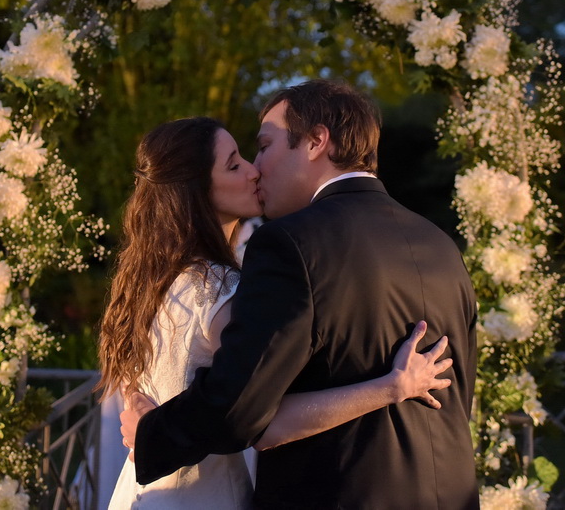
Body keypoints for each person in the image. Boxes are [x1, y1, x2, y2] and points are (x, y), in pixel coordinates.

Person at [122, 80, 479, 509]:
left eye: (266, 145)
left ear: (315, 141)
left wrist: (153, 434)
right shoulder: (442, 245)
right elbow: (459, 397)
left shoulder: (290, 244)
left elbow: (241, 408)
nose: (258, 166)